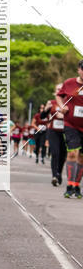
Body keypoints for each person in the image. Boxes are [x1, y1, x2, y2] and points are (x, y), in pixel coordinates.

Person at [56, 60, 83, 198]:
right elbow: (59, 95)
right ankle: (69, 186)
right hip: (71, 124)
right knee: (72, 153)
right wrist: (62, 106)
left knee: (81, 157)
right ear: (79, 70)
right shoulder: (69, 83)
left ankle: (76, 186)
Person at [45, 89, 67, 187]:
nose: (60, 91)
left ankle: (59, 173)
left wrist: (64, 116)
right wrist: (46, 109)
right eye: (58, 89)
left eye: (61, 89)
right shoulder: (52, 103)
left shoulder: (69, 103)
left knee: (62, 155)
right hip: (53, 132)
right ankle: (54, 176)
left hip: (65, 132)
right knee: (55, 153)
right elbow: (43, 116)